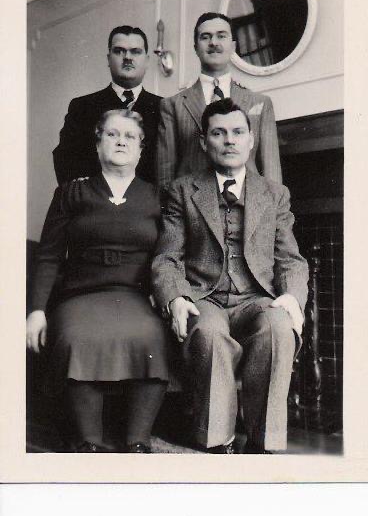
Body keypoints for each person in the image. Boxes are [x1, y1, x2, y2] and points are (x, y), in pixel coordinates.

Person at [152, 98, 308, 454]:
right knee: (207, 333)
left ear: (251, 139)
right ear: (205, 142)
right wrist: (176, 297)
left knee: (277, 327)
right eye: (219, 133)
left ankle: (263, 443)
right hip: (203, 297)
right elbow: (166, 256)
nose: (229, 140)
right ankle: (217, 442)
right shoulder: (182, 190)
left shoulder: (274, 193)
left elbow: (292, 259)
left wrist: (292, 299)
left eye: (238, 132)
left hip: (255, 299)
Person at [27, 109, 169, 453]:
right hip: (80, 295)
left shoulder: (158, 198)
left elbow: (168, 257)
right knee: (77, 337)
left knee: (152, 336)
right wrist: (36, 311)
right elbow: (48, 256)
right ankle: (88, 442)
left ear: (140, 149)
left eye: (129, 136)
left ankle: (138, 440)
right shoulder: (70, 194)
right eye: (112, 134)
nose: (121, 141)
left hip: (136, 295)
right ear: (97, 143)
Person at [157, 12, 282, 194]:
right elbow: (165, 178)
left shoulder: (260, 103)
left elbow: (272, 175)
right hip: (191, 210)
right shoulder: (172, 106)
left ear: (232, 46)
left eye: (221, 36)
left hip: (248, 209)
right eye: (205, 37)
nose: (213, 42)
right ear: (195, 47)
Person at [53, 25, 161, 185]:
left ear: (146, 60)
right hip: (95, 204)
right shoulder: (82, 107)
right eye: (119, 51)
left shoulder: (165, 107)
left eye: (136, 51)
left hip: (149, 205)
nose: (127, 57)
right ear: (108, 59)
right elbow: (66, 158)